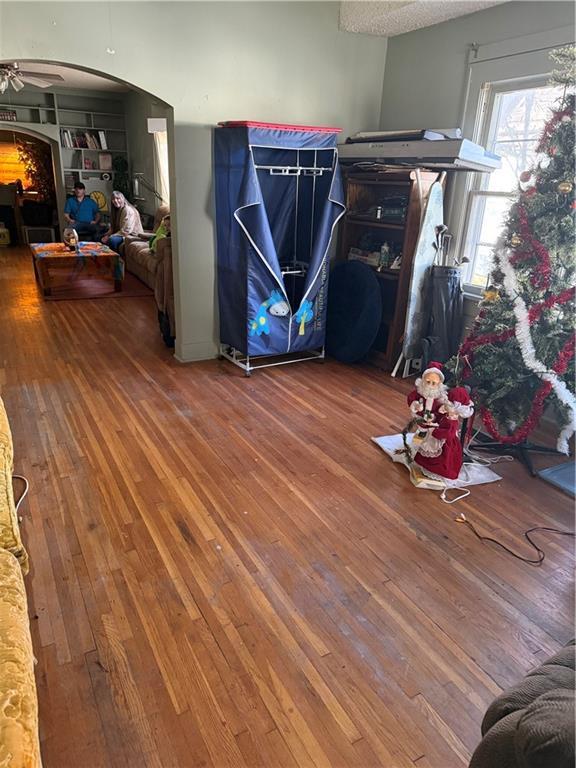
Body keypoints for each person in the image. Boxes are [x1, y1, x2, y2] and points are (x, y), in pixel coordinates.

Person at [406, 361, 474, 480]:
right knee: (418, 441)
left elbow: (445, 423)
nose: (430, 385)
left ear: (439, 384)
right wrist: (416, 405)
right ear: (423, 381)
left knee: (430, 446)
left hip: (433, 428)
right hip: (422, 424)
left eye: (434, 383)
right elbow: (411, 399)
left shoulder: (441, 398)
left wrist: (438, 418)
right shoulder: (419, 393)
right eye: (428, 382)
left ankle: (429, 465)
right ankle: (413, 454)